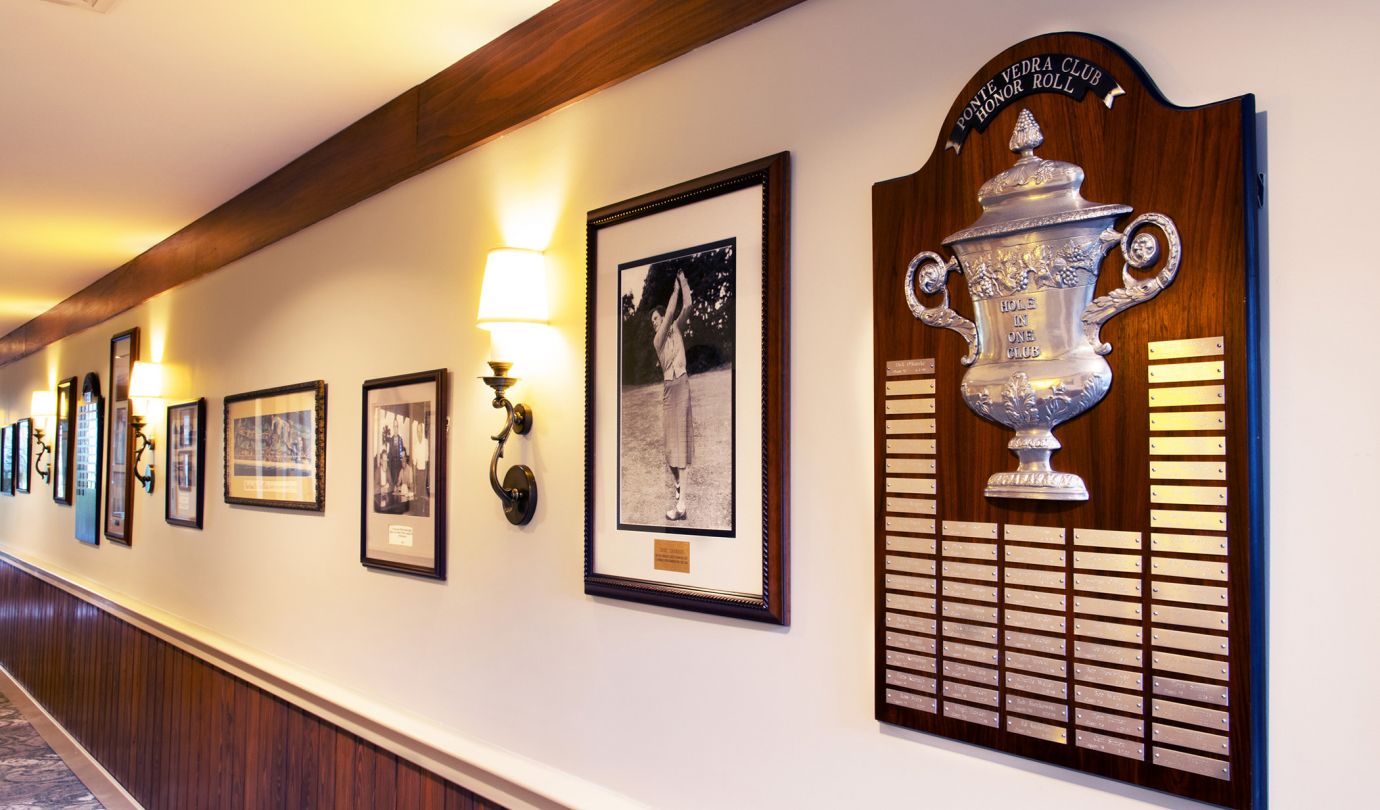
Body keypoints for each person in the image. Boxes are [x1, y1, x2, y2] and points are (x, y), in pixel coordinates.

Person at [651, 269, 694, 520]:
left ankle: (682, 505)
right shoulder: (657, 340)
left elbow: (687, 306)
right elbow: (669, 314)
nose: (655, 323)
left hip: (682, 384)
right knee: (670, 449)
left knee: (681, 446)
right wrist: (674, 291)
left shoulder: (676, 328)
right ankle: (678, 486)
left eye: (656, 318)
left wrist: (683, 282)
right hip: (669, 390)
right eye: (653, 321)